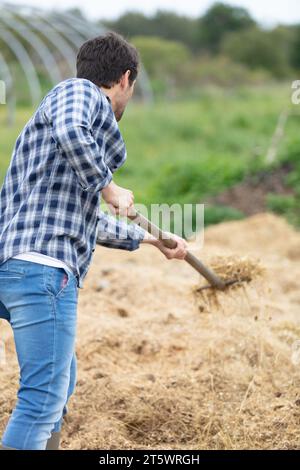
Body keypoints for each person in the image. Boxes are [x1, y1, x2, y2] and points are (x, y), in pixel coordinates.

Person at [0, 32, 187, 450]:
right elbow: (72, 128)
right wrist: (107, 185)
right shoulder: (80, 95)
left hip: (14, 266)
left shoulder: (63, 153)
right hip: (42, 270)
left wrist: (154, 241)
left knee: (61, 381)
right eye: (132, 90)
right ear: (124, 79)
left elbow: (86, 223)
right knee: (41, 399)